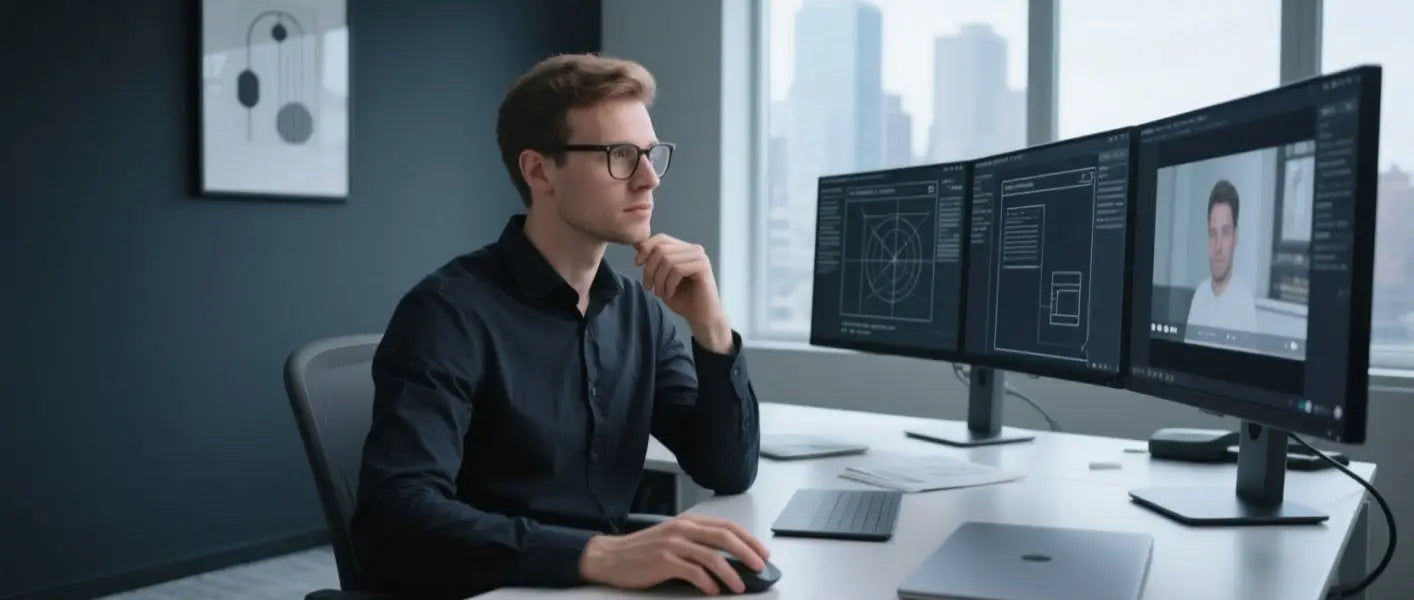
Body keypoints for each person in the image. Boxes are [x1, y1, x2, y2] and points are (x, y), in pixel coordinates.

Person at [350, 53, 768, 599]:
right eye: (620, 155)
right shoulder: (447, 314)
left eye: (650, 154)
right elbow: (394, 519)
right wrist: (599, 554)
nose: (648, 179)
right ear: (539, 170)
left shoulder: (638, 314)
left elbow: (727, 469)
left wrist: (711, 326)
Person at [1185, 179, 1258, 336]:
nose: (1217, 247)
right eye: (1213, 234)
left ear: (1235, 237)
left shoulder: (1244, 304)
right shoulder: (1199, 295)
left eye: (1225, 233)